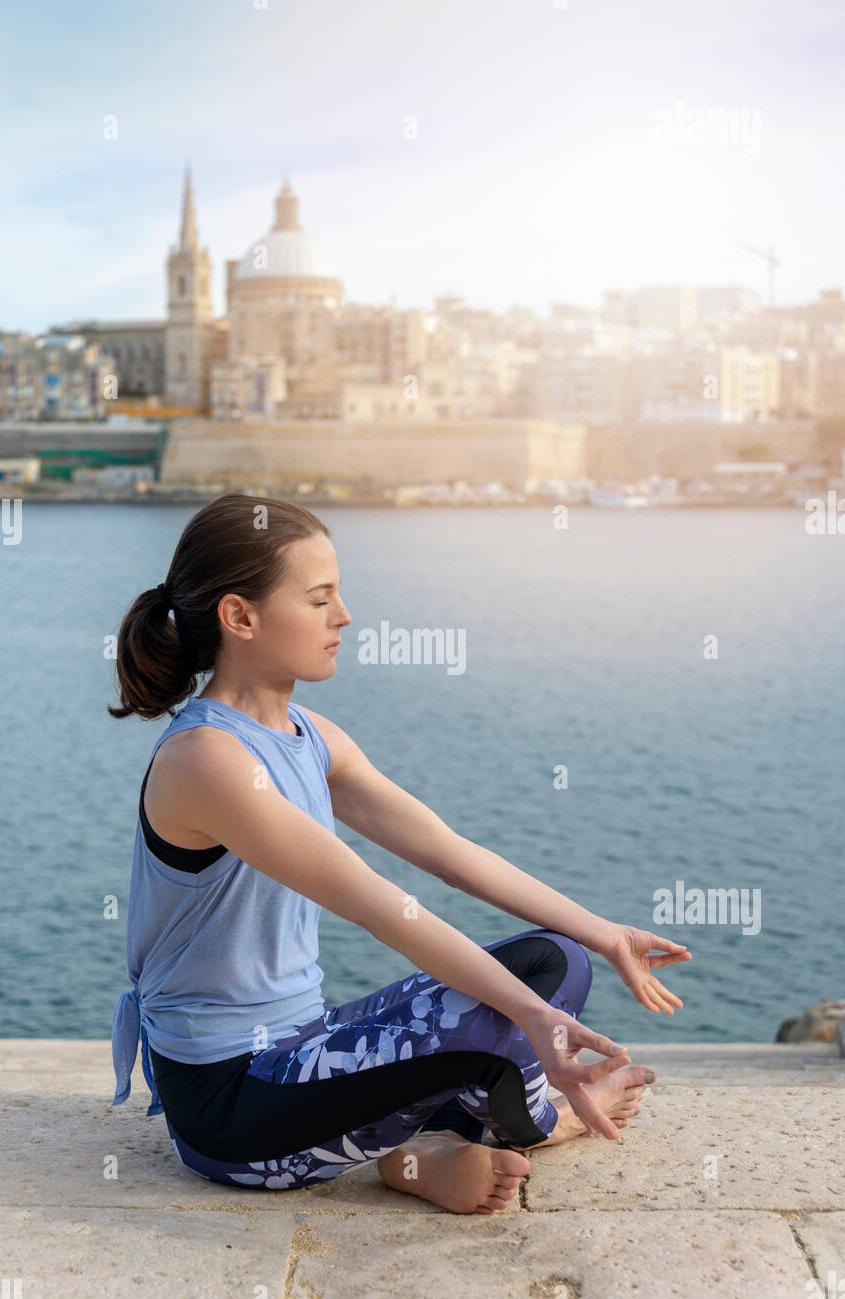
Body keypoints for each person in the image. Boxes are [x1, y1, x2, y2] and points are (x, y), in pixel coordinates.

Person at [109, 494, 691, 1215]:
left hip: (305, 1044)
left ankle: (420, 1149)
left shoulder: (309, 736)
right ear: (240, 617)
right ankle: (541, 1124)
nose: (344, 617)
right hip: (231, 1107)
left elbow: (447, 853)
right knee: (498, 1024)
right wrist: (531, 1023)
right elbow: (384, 909)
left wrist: (604, 934)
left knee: (553, 961)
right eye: (319, 599)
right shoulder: (207, 760)